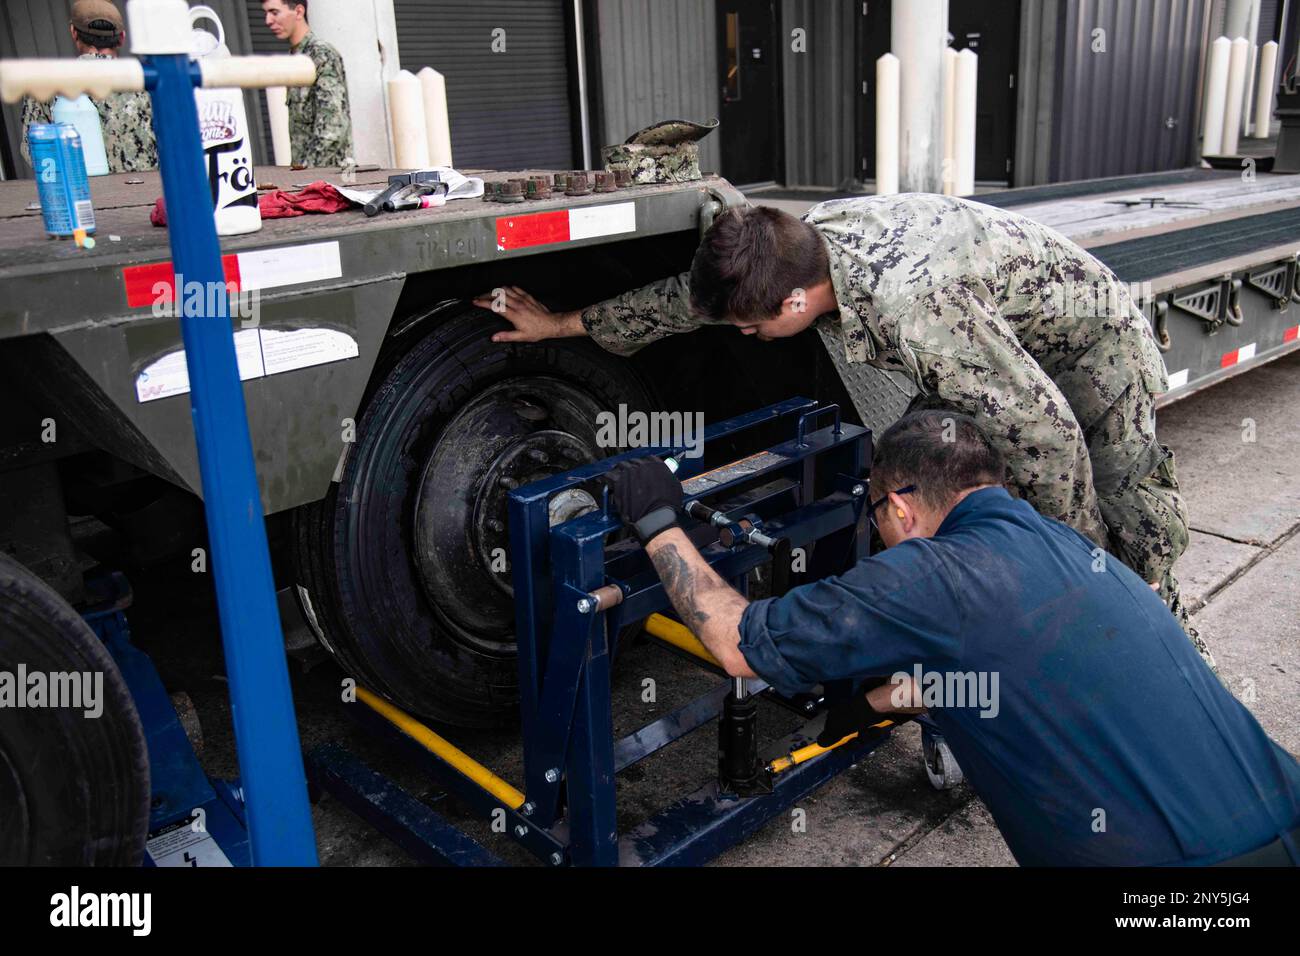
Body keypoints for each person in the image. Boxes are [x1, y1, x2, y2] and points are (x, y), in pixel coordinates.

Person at [473, 194, 1212, 667]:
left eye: (758, 326)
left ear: (797, 302)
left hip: (1090, 348)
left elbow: (1046, 437)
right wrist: (561, 325)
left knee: (1117, 518)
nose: (752, 335)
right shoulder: (791, 247)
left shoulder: (912, 310)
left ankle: (1161, 650)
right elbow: (686, 302)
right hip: (996, 341)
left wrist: (1077, 573)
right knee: (947, 466)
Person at [600, 411, 1300, 866]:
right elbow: (992, 667)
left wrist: (659, 523)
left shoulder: (933, 574)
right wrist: (865, 708)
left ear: (898, 505)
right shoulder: (1054, 540)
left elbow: (736, 642)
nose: (878, 532)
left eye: (876, 515)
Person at [19, 0, 157, 175]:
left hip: (80, 195)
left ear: (74, 33)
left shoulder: (46, 83)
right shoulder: (149, 79)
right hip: (148, 194)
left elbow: (34, 151)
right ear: (121, 37)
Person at [262, 0, 354, 169]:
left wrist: (305, 172)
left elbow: (332, 129)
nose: (268, 20)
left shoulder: (320, 53)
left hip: (329, 179)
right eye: (266, 13)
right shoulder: (297, 57)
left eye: (274, 12)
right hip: (309, 177)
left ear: (298, 11)